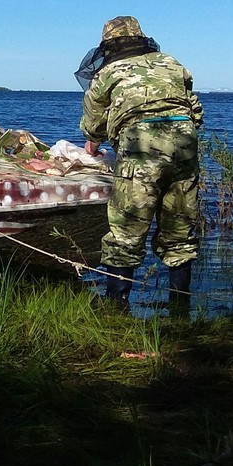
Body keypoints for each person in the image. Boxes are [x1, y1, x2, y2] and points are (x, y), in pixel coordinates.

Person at [77, 16, 203, 313]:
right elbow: (192, 106)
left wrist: (92, 146)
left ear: (108, 43)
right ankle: (180, 307)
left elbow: (94, 123)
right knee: (180, 229)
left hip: (141, 146)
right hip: (185, 143)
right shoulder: (172, 63)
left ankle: (116, 308)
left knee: (126, 230)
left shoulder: (107, 72)